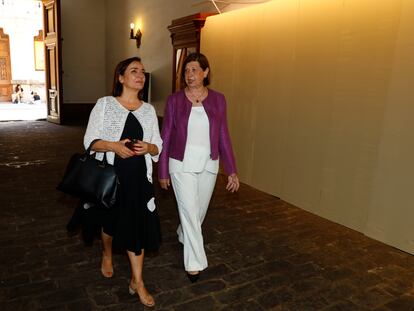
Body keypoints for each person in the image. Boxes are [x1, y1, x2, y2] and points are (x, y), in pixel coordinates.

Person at [81, 56, 162, 307]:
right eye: (134, 71)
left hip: (139, 179)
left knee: (137, 227)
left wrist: (149, 147)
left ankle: (137, 281)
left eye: (143, 72)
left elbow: (158, 146)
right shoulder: (105, 105)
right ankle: (107, 253)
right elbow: (89, 141)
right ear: (121, 77)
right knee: (110, 224)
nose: (140, 75)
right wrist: (113, 146)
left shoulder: (148, 110)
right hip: (112, 178)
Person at [158, 52, 240, 283]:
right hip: (180, 163)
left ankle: (184, 232)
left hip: (208, 163)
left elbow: (223, 134)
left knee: (198, 211)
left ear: (205, 72)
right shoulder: (174, 100)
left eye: (194, 69)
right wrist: (162, 170)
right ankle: (194, 263)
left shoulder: (218, 99)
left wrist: (231, 169)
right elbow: (166, 135)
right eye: (186, 70)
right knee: (190, 210)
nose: (189, 74)